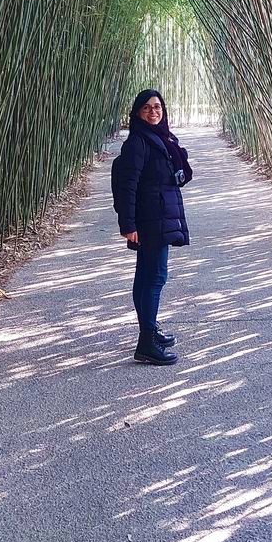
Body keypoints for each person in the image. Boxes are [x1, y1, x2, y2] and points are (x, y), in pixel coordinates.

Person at [111, 89, 193, 365]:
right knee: (154, 276)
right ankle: (146, 341)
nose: (153, 111)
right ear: (136, 113)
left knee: (148, 274)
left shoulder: (162, 138)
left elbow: (177, 176)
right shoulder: (137, 142)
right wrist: (128, 223)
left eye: (157, 107)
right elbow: (127, 186)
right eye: (146, 108)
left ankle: (150, 328)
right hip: (150, 219)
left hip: (160, 215)